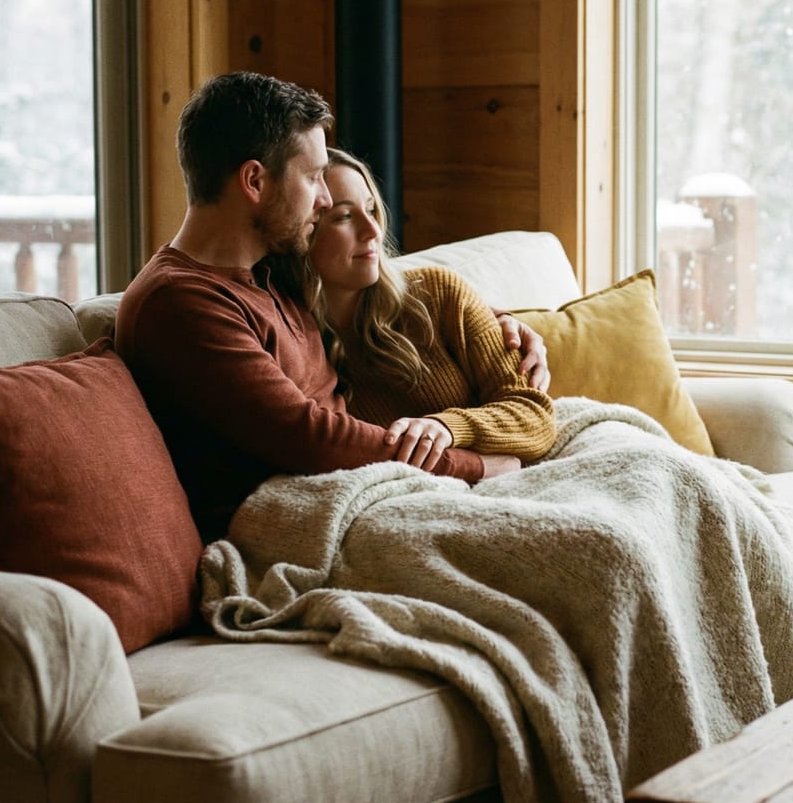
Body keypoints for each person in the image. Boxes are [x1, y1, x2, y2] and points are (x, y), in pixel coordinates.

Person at [115, 71, 548, 541]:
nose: (322, 200)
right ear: (254, 181)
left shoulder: (268, 273)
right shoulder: (182, 303)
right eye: (315, 177)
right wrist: (478, 467)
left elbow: (363, 300)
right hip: (315, 515)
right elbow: (310, 437)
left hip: (372, 490)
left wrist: (503, 324)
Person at [276, 147, 557, 476]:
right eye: (344, 217)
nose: (373, 232)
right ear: (302, 235)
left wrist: (446, 428)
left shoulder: (439, 294)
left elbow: (534, 414)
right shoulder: (290, 342)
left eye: (371, 210)